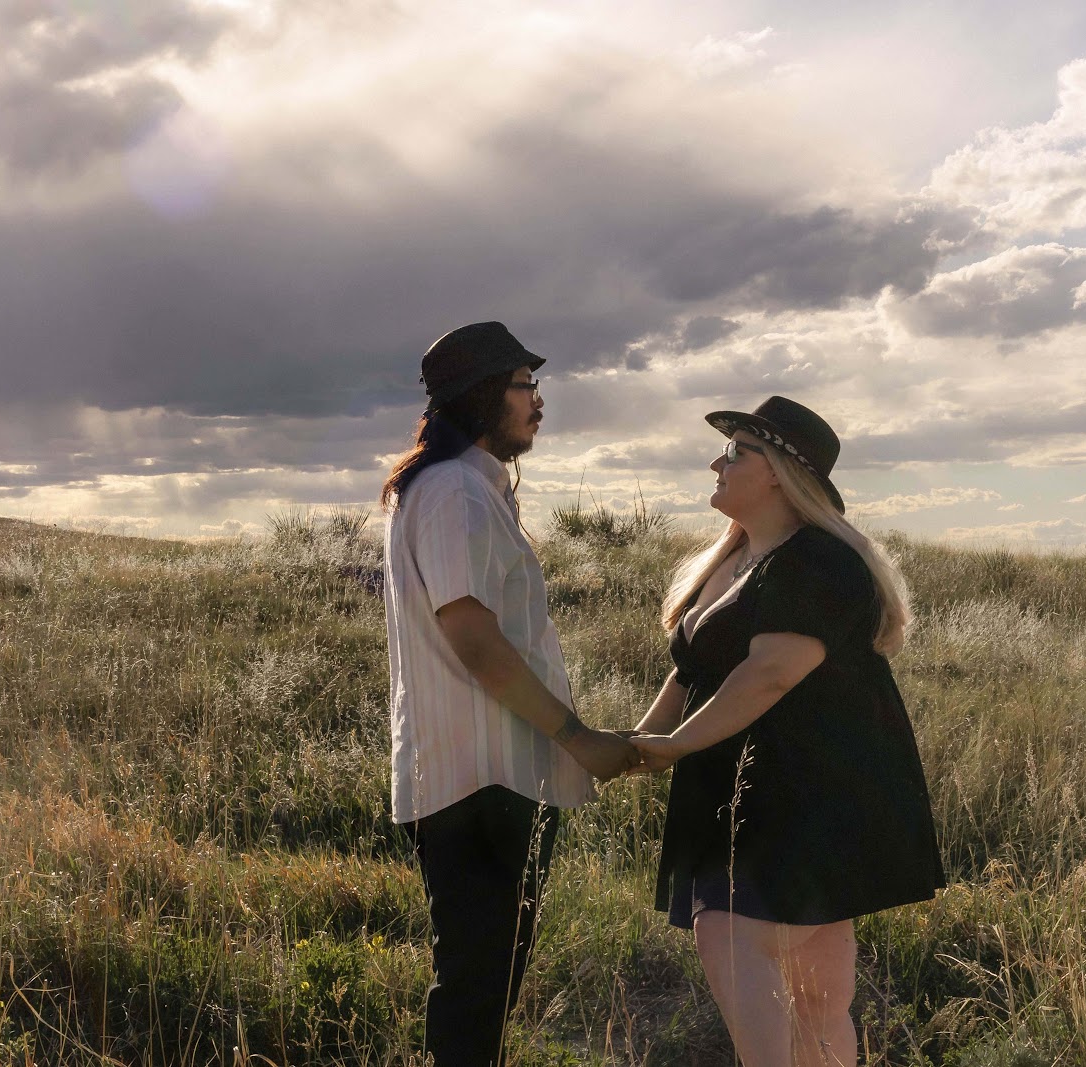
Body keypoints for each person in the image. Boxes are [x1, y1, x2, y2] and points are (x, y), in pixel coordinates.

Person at [629, 396, 945, 1067]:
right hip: (748, 798)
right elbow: (692, 670)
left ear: (777, 470)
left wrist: (674, 746)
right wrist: (638, 743)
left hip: (798, 801)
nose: (717, 463)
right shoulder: (735, 558)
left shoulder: (819, 561)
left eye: (735, 451)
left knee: (763, 967)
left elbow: (771, 672)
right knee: (813, 1002)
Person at [380, 321, 639, 1067]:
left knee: (484, 981)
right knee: (476, 987)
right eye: (526, 385)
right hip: (484, 778)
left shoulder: (459, 487)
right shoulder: (455, 491)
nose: (538, 401)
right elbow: (474, 637)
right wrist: (577, 738)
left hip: (480, 775)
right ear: (485, 393)